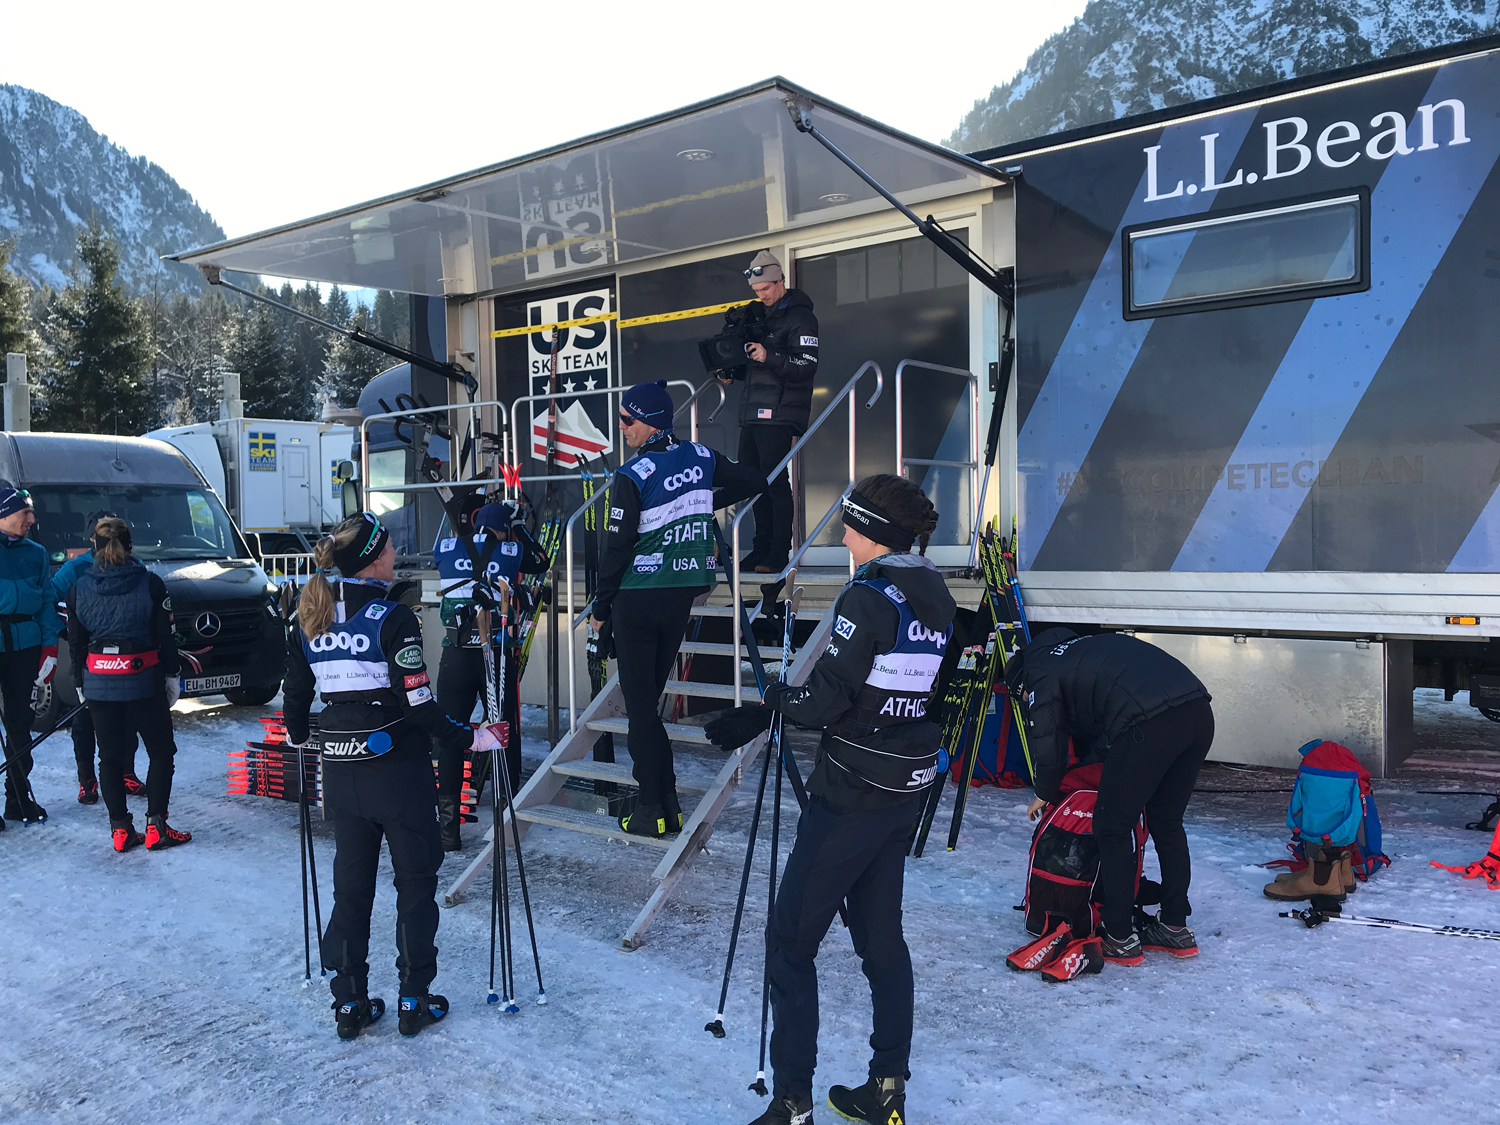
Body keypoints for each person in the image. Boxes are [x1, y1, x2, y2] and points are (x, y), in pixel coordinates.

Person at [705, 474, 953, 1125]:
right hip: (903, 786)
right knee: (880, 939)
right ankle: (887, 1089)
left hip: (850, 792)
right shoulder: (934, 591)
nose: (842, 533)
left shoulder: (868, 596)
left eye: (850, 523)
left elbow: (824, 700)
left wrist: (768, 705)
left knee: (791, 939)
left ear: (874, 530)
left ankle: (791, 1102)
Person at [282, 512, 501, 1040]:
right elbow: (422, 708)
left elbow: (293, 708)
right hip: (397, 773)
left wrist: (313, 739)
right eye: (387, 548)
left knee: (351, 888)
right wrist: (476, 737)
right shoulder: (392, 617)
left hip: (340, 773)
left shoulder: (310, 613)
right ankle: (413, 999)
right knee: (415, 884)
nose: (393, 555)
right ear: (375, 557)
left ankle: (350, 1005)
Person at [589, 379, 761, 838]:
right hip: (682, 594)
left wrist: (601, 607)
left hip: (636, 599)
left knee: (641, 709)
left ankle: (652, 809)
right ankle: (666, 804)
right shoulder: (702, 456)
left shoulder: (632, 474)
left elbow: (616, 549)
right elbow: (753, 479)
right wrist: (697, 501)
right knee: (649, 705)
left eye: (627, 420)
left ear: (649, 422)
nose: (622, 427)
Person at [1006, 627, 1215, 965]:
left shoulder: (1039, 670)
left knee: (1112, 827)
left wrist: (1045, 790)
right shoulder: (1080, 651)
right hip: (1198, 711)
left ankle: (1118, 935)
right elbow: (1109, 714)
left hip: (1149, 722)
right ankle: (1174, 925)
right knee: (1167, 821)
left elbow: (1048, 737)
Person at [65, 517, 188, 852]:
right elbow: (166, 636)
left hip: (99, 684)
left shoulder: (79, 589)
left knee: (109, 757)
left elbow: (76, 643)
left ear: (94, 548)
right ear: (131, 547)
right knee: (161, 752)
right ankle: (156, 826)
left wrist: (80, 682)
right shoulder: (150, 584)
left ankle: (120, 830)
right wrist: (173, 674)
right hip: (143, 682)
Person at [433, 497, 549, 850]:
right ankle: (505, 819)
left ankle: (448, 832)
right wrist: (518, 530)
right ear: (505, 529)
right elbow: (539, 561)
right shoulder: (512, 550)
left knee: (451, 737)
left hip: (454, 656)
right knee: (503, 733)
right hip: (495, 654)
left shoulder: (445, 546)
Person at [717, 250, 819, 575]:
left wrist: (767, 355)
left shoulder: (801, 316)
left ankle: (778, 552)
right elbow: (756, 368)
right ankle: (759, 549)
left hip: (780, 413)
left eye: (766, 288)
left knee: (774, 482)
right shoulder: (757, 315)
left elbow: (806, 366)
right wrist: (732, 372)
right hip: (751, 413)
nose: (761, 295)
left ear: (780, 280)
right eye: (757, 290)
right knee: (751, 481)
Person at [50, 509, 144, 806]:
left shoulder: (136, 565)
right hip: (88, 655)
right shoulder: (76, 568)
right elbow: (49, 598)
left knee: (128, 718)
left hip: (126, 657)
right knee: (85, 719)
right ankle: (87, 779)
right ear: (92, 538)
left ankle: (127, 772)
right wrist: (64, 630)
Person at [0, 486, 59, 827]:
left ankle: (18, 798)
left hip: (26, 646)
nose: (32, 520)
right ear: (4, 515)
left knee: (20, 726)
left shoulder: (36, 553)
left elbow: (47, 604)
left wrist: (50, 649)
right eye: (25, 513)